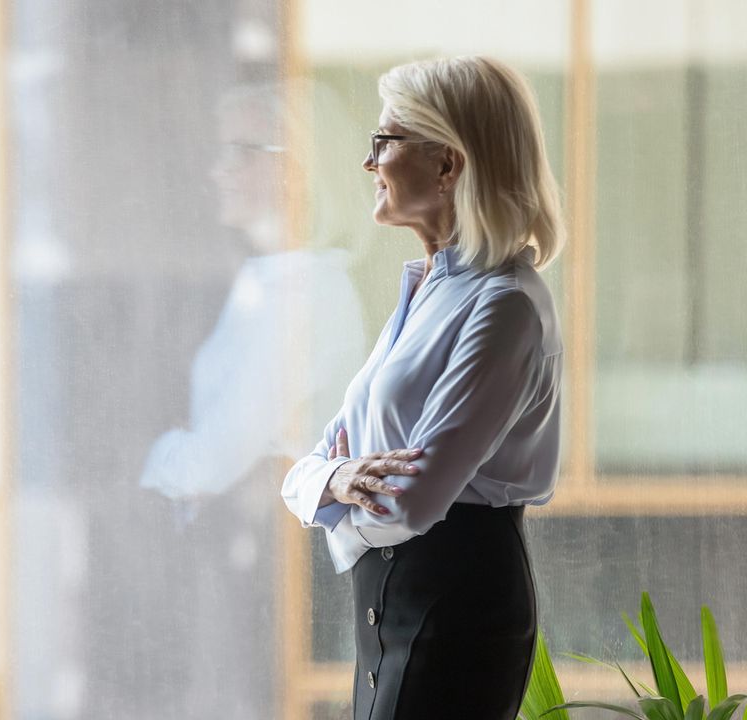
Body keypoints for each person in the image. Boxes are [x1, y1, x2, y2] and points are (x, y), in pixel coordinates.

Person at [280, 56, 565, 720]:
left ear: (447, 164)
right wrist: (339, 475)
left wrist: (336, 501)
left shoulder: (505, 304)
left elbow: (412, 501)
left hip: (454, 604)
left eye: (385, 141)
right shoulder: (425, 292)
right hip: (389, 602)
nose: (369, 163)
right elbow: (308, 468)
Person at [136, 85, 365, 719]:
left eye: (242, 150)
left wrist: (153, 462)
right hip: (243, 569)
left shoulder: (307, 291)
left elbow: (214, 459)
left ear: (297, 167)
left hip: (277, 575)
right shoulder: (265, 282)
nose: (218, 169)